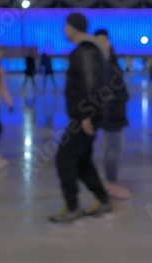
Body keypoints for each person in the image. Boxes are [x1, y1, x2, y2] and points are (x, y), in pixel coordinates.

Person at [49, 13, 111, 223]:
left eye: (66, 26)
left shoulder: (84, 51)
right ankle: (103, 199)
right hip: (87, 114)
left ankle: (72, 207)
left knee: (64, 158)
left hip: (85, 115)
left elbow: (90, 83)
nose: (64, 30)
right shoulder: (88, 50)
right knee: (82, 160)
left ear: (75, 28)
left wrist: (86, 115)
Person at [94, 29, 131, 199]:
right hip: (109, 113)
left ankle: (110, 182)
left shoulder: (112, 61)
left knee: (114, 148)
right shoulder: (99, 63)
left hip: (116, 111)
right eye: (99, 40)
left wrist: (122, 97)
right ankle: (111, 183)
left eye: (105, 40)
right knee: (113, 149)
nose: (103, 43)